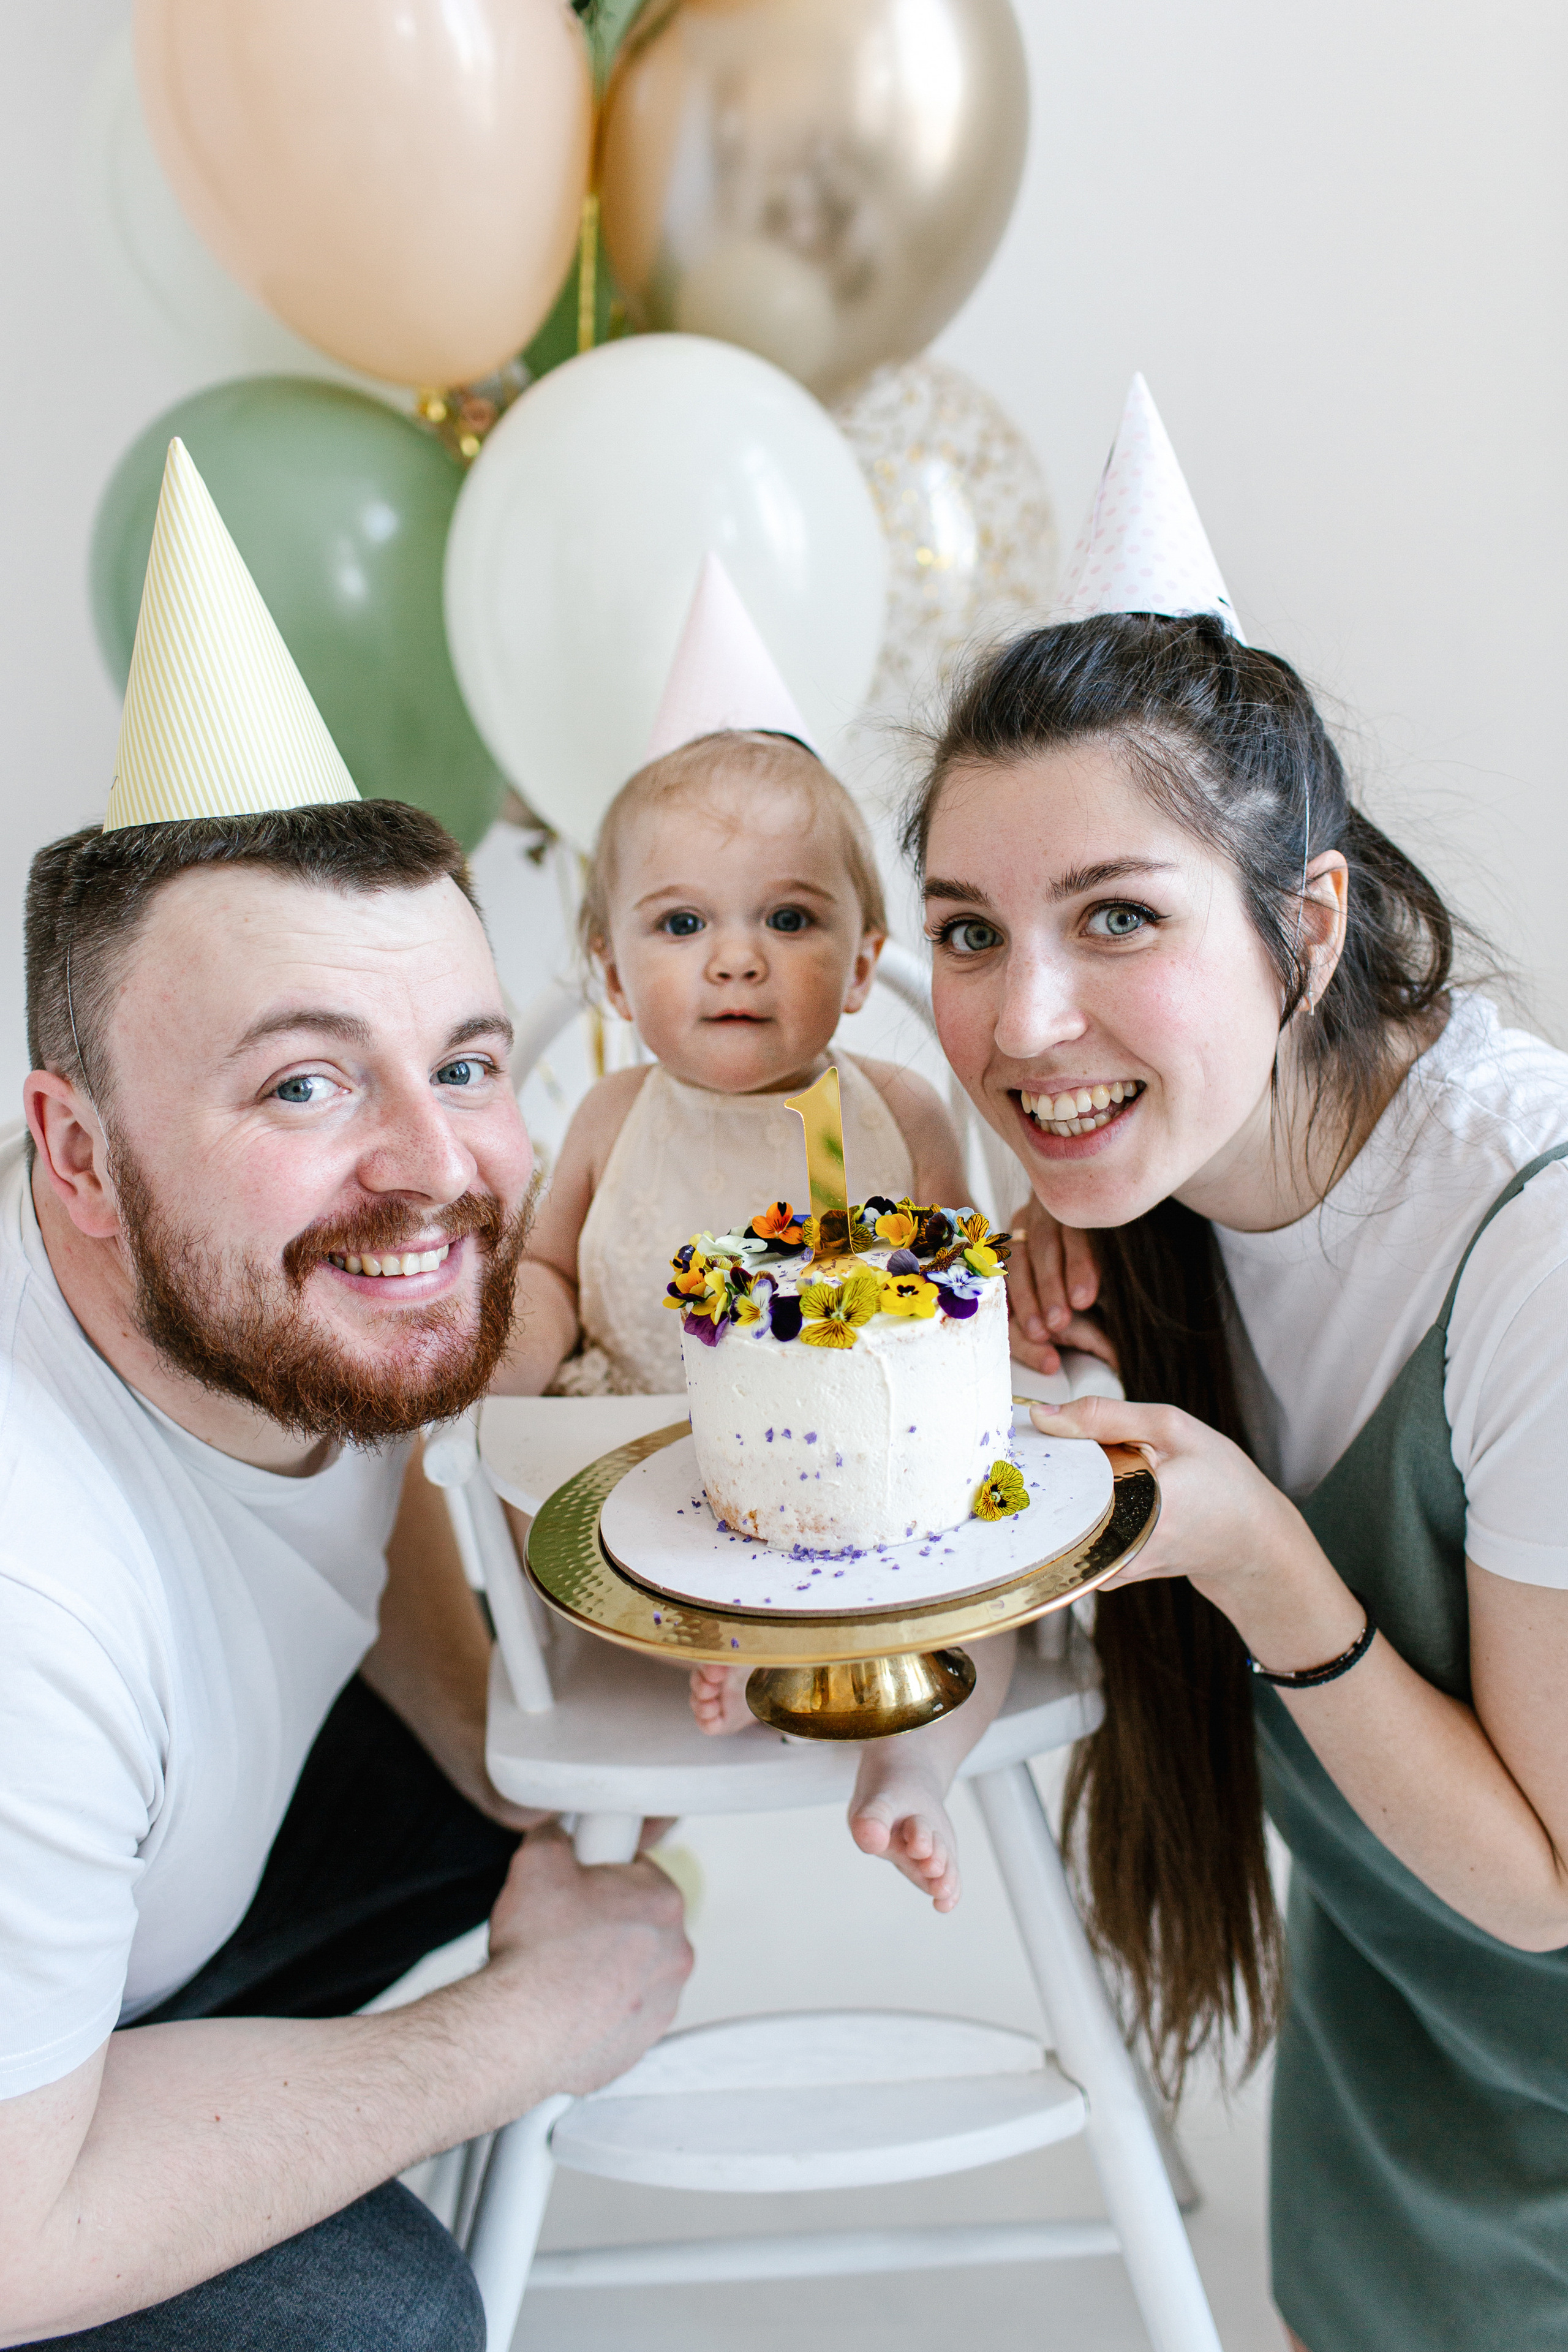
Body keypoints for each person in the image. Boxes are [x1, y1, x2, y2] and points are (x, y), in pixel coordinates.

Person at [0, 440, 690, 2348]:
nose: (438, 1170)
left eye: (463, 1062)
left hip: (135, 1907)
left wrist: (507, 1759)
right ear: (77, 1150)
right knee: (374, 2324)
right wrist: (520, 2029)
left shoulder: (245, 1293)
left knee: (535, 1778)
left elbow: (358, 1487)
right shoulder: (27, 1590)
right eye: (304, 1085)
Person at [903, 379, 1568, 2352]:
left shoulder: (1529, 1243)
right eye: (965, 932)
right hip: (1399, 2094)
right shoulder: (1133, 1201)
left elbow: (1548, 1887)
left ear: (1308, 923)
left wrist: (1255, 1550)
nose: (1025, 1021)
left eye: (1119, 916)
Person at [501, 559, 1013, 1912]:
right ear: (612, 974)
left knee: (991, 1586)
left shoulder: (895, 1111)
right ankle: (714, 1645)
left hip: (868, 1489)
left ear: (862, 963)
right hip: (650, 1471)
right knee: (544, 1510)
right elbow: (544, 1269)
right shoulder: (609, 1116)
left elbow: (963, 1291)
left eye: (788, 919)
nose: (736, 957)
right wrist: (510, 1354)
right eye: (681, 923)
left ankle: (909, 1761)